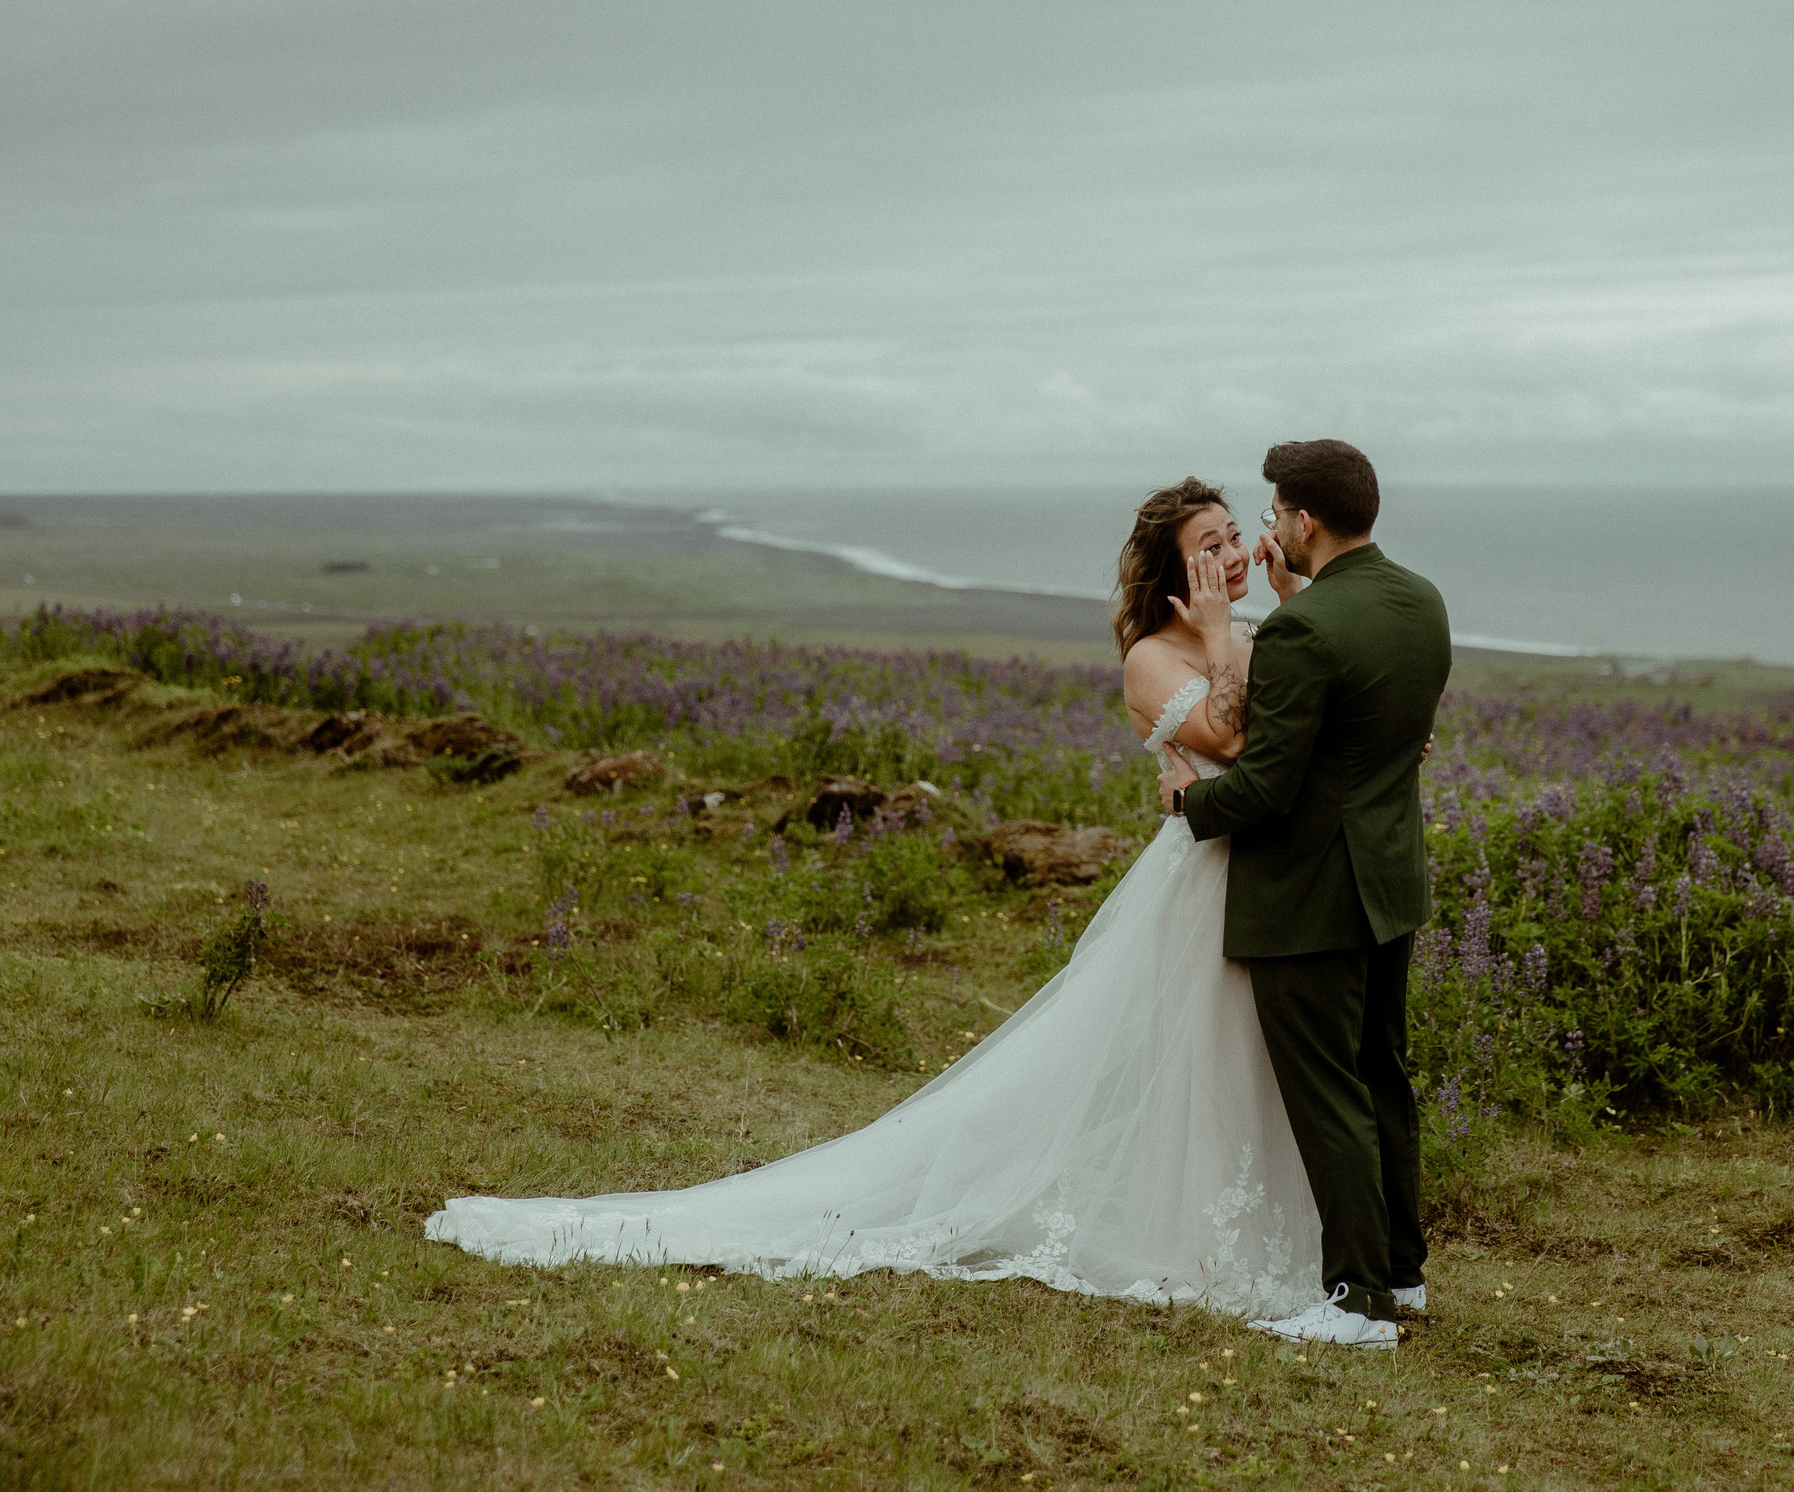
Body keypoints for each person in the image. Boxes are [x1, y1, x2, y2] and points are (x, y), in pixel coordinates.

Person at [423, 477, 1331, 1321]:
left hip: (1259, 868)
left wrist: (1289, 608)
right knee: (1199, 1053)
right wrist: (1221, 636)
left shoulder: (1252, 633)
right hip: (1199, 881)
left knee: (1248, 1055)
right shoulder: (1154, 656)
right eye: (1208, 544)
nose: (1231, 555)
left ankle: (1266, 1239)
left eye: (1232, 537)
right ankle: (1198, 1251)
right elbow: (1241, 739)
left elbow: (1298, 733)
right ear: (1176, 570)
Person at [1161, 438, 1452, 1348]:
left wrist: (1189, 802)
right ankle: (1402, 1277)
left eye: (1277, 512)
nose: (1268, 529)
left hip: (1311, 894)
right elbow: (1378, 740)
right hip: (1389, 882)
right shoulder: (1420, 602)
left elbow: (1269, 787)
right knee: (1382, 1081)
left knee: (1330, 1096)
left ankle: (1357, 1304)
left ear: (1304, 521)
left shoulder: (1302, 631)